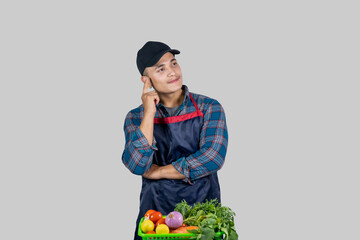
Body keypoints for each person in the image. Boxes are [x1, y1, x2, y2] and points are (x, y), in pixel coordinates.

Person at [121, 41, 228, 239]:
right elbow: (137, 165)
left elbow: (213, 157)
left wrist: (159, 172)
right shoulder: (135, 118)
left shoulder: (208, 107)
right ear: (146, 80)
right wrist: (149, 113)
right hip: (155, 219)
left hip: (202, 215)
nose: (172, 72)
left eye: (173, 63)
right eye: (161, 69)